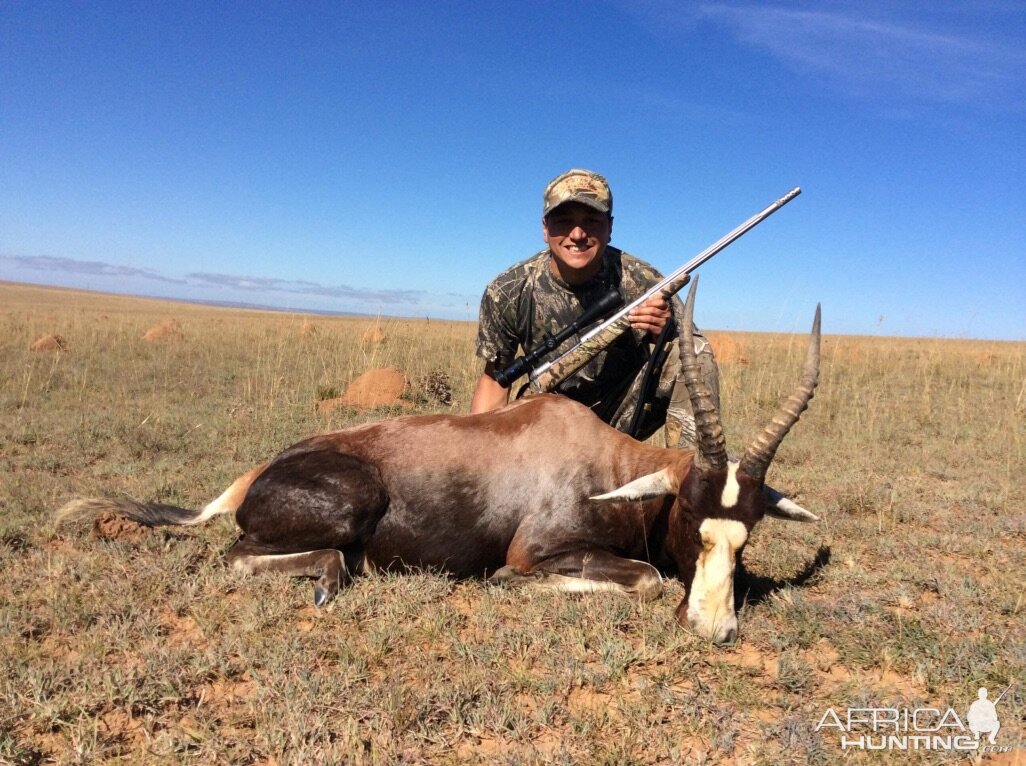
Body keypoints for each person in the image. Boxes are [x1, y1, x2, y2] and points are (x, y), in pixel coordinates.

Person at [471, 168, 720, 447]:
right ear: (544, 228)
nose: (577, 234)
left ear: (610, 228)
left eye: (591, 221)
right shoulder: (509, 288)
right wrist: (478, 453)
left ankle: (693, 478)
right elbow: (495, 379)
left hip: (621, 418)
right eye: (564, 221)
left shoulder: (644, 280)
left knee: (694, 352)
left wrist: (664, 332)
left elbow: (687, 348)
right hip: (546, 420)